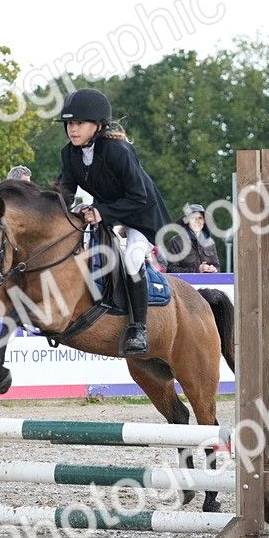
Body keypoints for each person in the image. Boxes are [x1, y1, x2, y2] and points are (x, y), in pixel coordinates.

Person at [54, 87, 172, 355]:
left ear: (97, 125)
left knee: (131, 258)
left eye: (79, 123)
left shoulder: (119, 150)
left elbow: (139, 196)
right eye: (70, 124)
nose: (73, 129)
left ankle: (139, 328)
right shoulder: (69, 153)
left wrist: (102, 213)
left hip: (142, 217)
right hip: (108, 213)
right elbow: (65, 192)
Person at [163, 204, 220, 273]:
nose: (197, 221)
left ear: (204, 221)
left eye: (200, 218)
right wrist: (197, 270)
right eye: (193, 218)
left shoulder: (210, 243)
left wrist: (213, 269)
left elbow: (217, 266)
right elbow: (170, 269)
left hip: (207, 283)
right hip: (183, 283)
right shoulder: (176, 242)